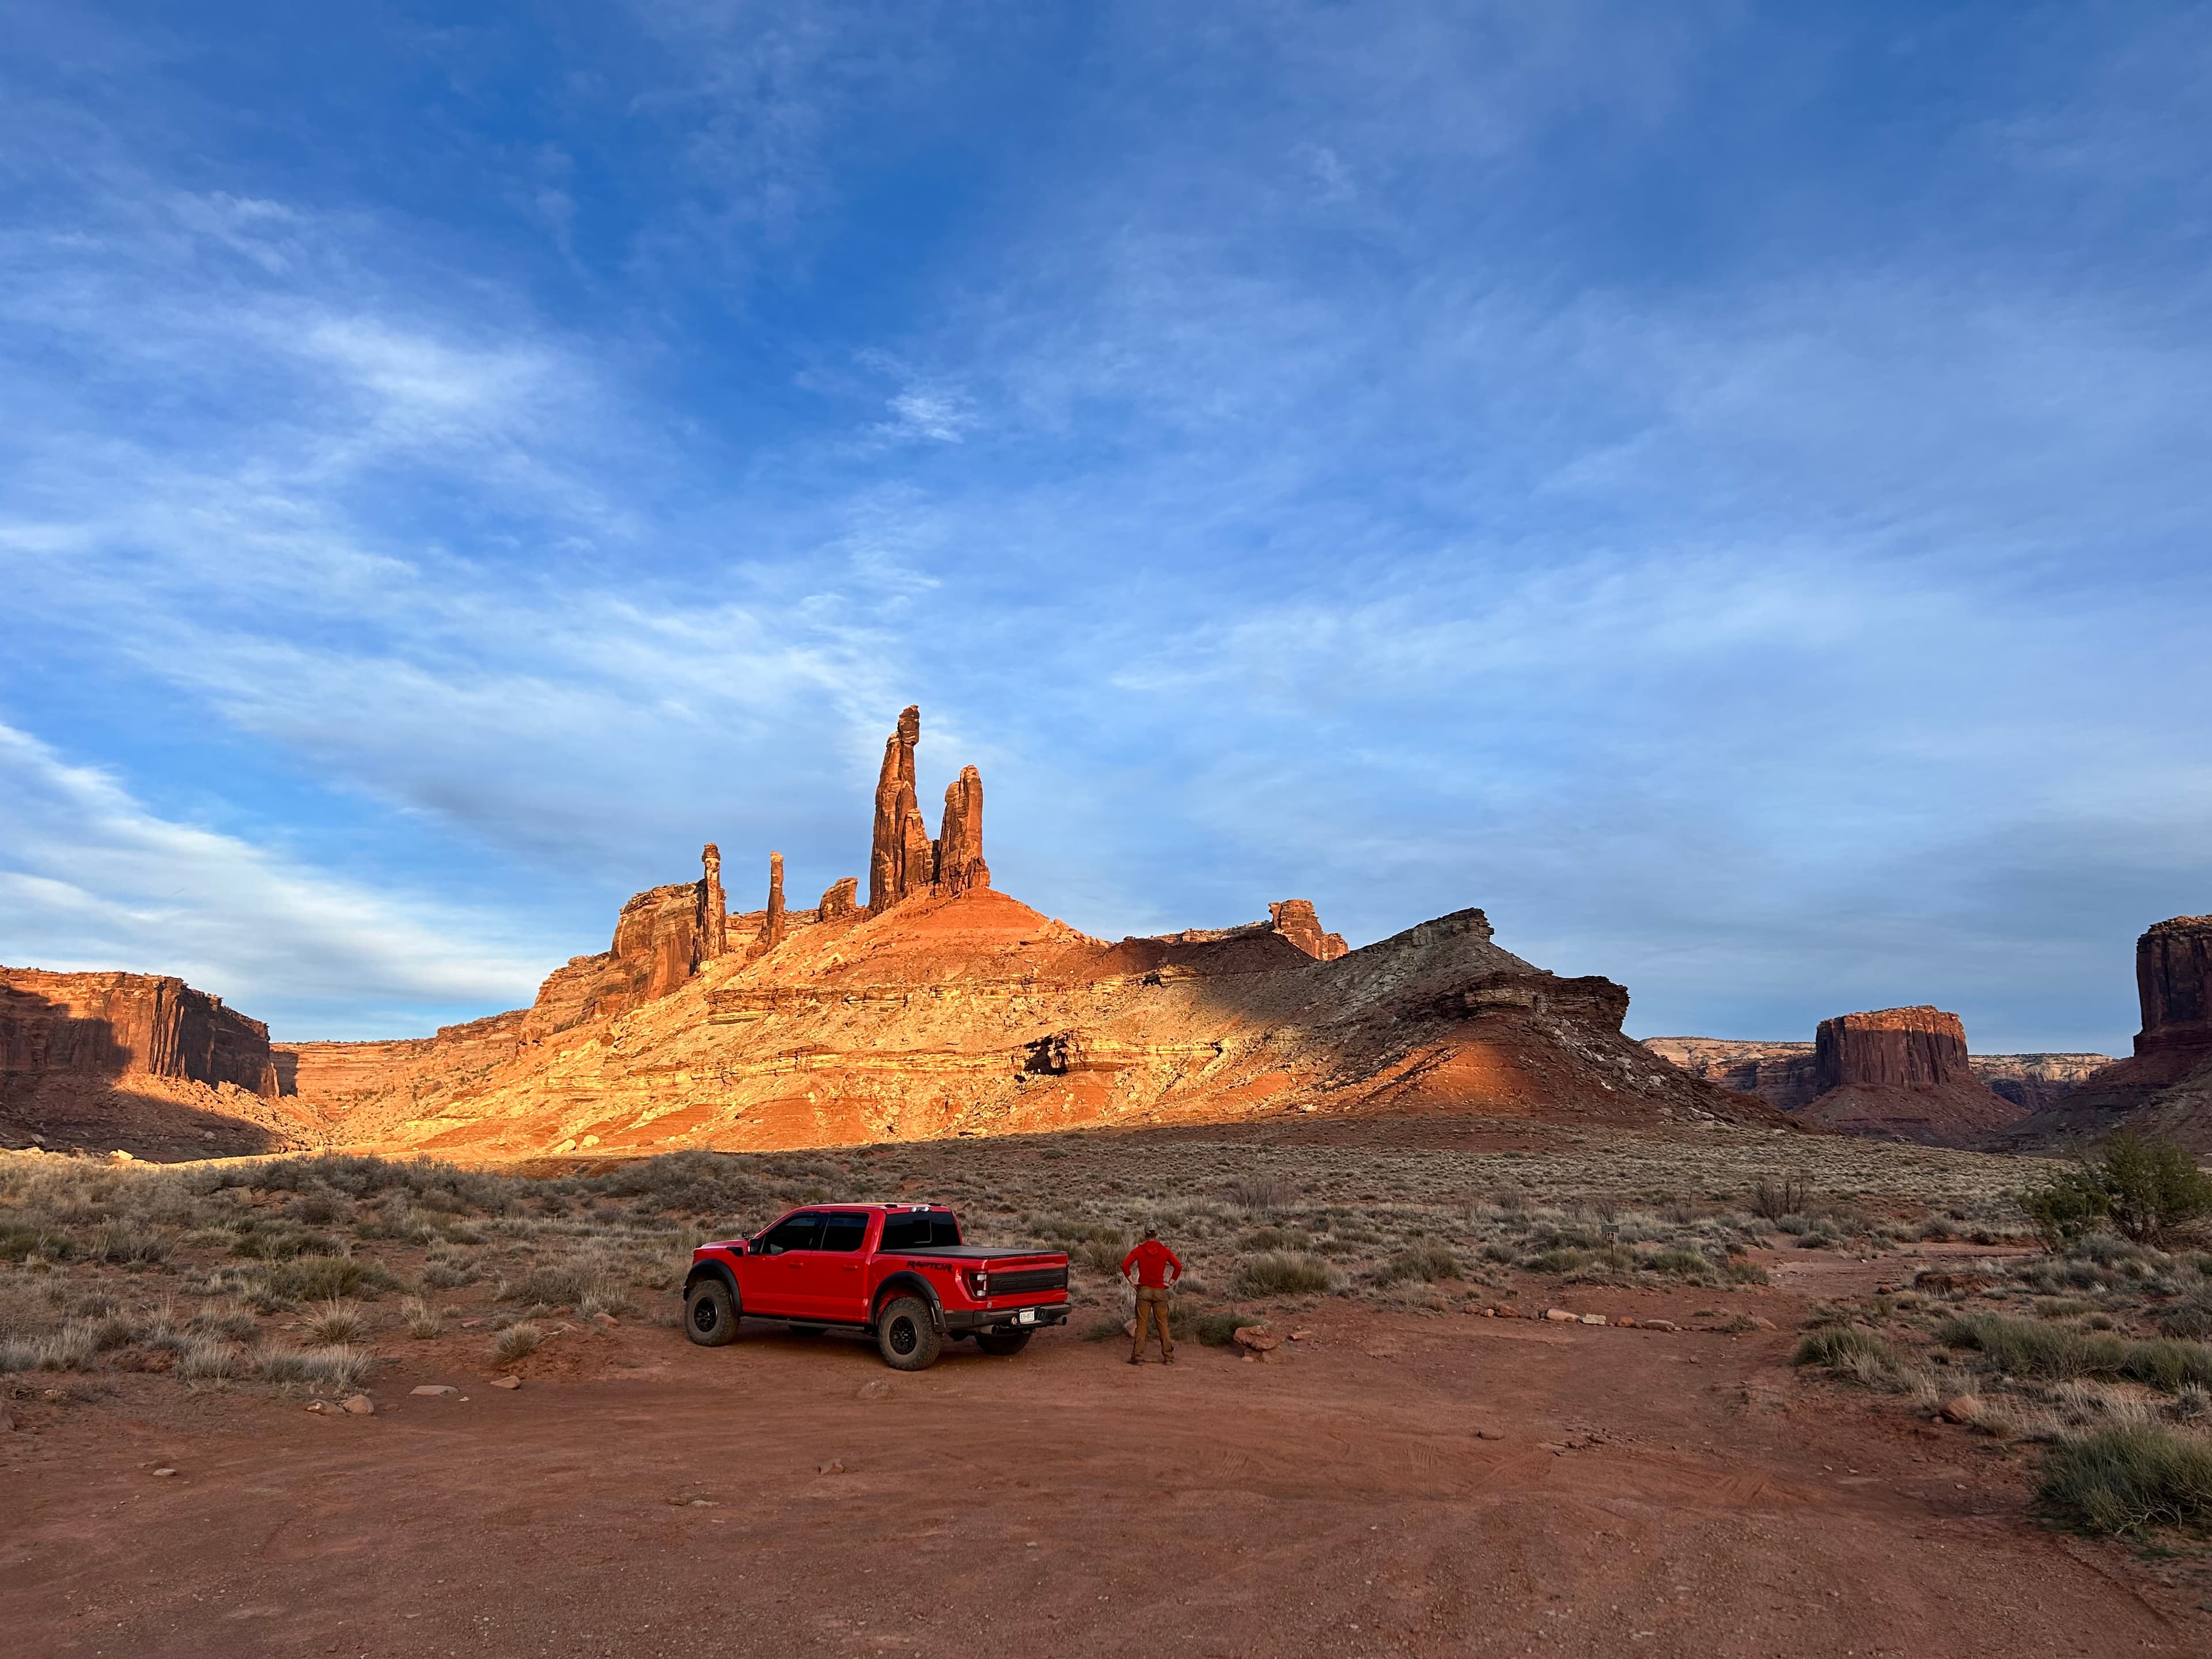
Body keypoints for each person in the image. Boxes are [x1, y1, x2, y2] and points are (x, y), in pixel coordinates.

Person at [1120, 1224, 1183, 1364]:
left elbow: (1125, 1265)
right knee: (1163, 1324)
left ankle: (1138, 1357)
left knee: (1142, 1325)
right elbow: (1178, 1266)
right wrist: (1170, 1282)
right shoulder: (1164, 1250)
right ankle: (1168, 1357)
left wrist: (1132, 1282)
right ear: (1157, 1234)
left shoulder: (1139, 1250)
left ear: (1145, 1234)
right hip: (1160, 1291)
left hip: (1144, 1291)